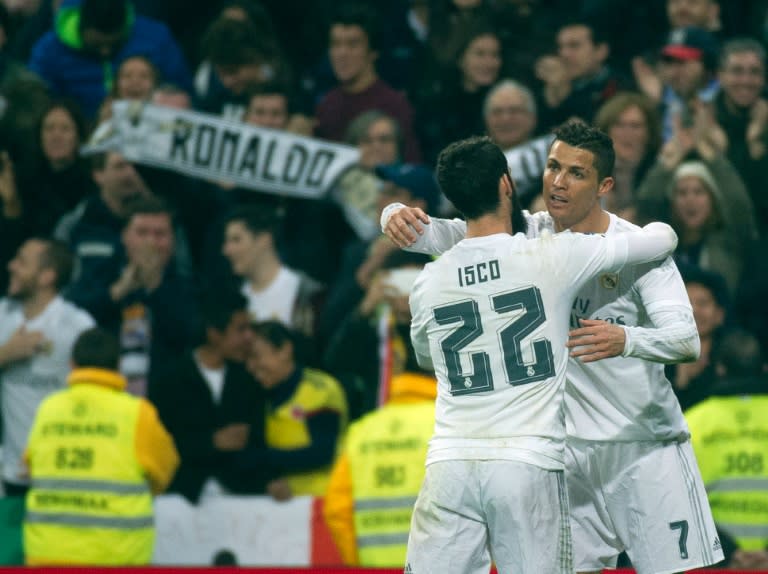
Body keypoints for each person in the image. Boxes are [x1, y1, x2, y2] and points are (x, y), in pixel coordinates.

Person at [383, 118, 724, 574]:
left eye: (576, 173)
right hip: (563, 456)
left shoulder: (635, 249)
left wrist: (625, 338)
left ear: (604, 184)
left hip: (643, 446)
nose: (558, 182)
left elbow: (685, 341)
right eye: (552, 166)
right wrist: (392, 214)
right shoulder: (531, 237)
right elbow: (456, 235)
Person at [23, 327, 179, 565]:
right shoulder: (137, 413)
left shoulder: (48, 409)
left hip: (47, 552)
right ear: (118, 366)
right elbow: (166, 470)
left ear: (72, 364)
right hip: (117, 554)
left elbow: (31, 467)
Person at [149, 289, 270, 504]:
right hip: (184, 500)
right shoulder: (170, 379)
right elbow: (161, 443)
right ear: (214, 334)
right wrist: (210, 443)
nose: (249, 337)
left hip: (242, 498)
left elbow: (260, 440)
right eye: (241, 329)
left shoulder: (249, 379)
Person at [0, 238, 95, 496]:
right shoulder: (2, 316)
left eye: (21, 261)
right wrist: (5, 354)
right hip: (13, 471)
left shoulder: (77, 327)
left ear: (46, 277)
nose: (11, 266)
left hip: (63, 471)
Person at [323, 362, 437, 566]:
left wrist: (358, 562)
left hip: (375, 565)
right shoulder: (450, 424)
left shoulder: (361, 430)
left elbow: (336, 510)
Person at [684, 328, 768, 569]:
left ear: (719, 368)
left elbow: (679, 501)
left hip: (715, 561)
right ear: (764, 368)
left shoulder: (691, 423)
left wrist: (730, 552)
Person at [28, 0, 191, 119]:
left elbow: (182, 89)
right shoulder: (48, 52)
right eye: (97, 45)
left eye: (113, 44)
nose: (105, 51)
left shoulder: (156, 39)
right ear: (81, 29)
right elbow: (37, 103)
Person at [240, 320, 348, 500]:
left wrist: (260, 459)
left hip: (322, 500)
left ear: (284, 350)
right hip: (279, 502)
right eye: (247, 359)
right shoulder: (258, 394)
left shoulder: (320, 389)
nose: (250, 366)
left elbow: (321, 453)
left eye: (256, 356)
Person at [314, 3, 421, 163]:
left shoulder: (395, 105)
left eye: (353, 44)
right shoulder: (327, 104)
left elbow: (411, 169)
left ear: (373, 52)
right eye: (336, 44)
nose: (342, 53)